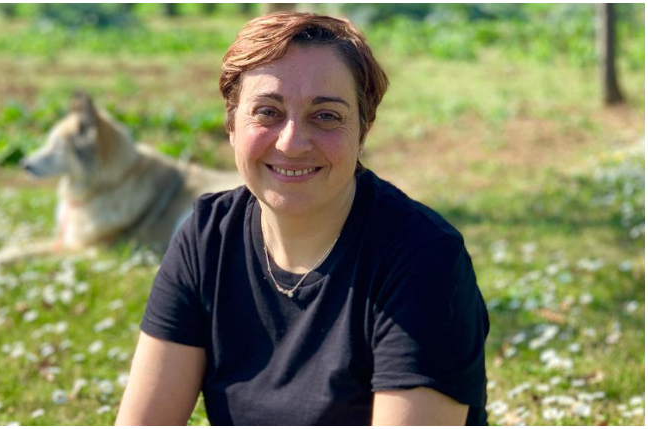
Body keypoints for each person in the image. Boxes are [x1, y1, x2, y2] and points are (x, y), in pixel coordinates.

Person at [116, 12, 489, 426]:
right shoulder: (207, 237)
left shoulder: (424, 259)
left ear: (363, 131)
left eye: (326, 115)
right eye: (267, 112)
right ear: (231, 126)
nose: (292, 142)